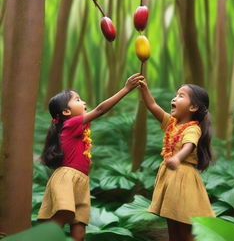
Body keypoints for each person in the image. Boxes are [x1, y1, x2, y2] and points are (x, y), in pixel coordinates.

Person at [37, 73, 143, 241]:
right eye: (78, 100)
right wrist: (126, 89)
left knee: (79, 226)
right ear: (66, 111)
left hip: (81, 180)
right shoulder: (70, 124)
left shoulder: (79, 126)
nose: (84, 102)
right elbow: (100, 110)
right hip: (67, 177)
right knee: (64, 213)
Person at [138, 79, 215, 241]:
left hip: (184, 178)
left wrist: (177, 158)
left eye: (181, 96)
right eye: (175, 95)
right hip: (170, 178)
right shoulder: (172, 124)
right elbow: (153, 106)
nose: (174, 99)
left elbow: (189, 146)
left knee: (185, 227)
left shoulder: (193, 128)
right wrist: (144, 89)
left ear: (193, 107)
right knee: (172, 223)